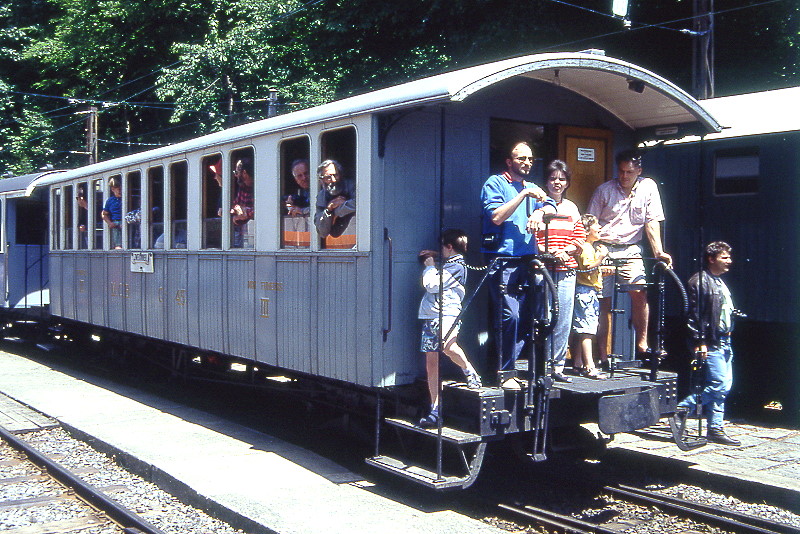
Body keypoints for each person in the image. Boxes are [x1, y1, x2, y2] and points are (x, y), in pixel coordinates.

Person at [480, 141, 555, 386]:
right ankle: (505, 374)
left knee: (529, 317)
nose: (527, 163)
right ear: (509, 162)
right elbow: (496, 216)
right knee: (509, 315)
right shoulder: (495, 183)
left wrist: (539, 212)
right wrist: (523, 196)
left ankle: (520, 367)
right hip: (502, 261)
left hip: (528, 260)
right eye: (521, 158)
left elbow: (551, 204)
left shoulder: (533, 186)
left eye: (530, 159)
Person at [587, 149, 672, 364]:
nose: (624, 176)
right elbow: (589, 224)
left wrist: (658, 252)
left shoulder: (648, 187)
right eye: (621, 171)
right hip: (604, 247)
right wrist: (594, 253)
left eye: (629, 172)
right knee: (602, 301)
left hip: (631, 249)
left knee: (639, 290)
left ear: (639, 171)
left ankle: (642, 345)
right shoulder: (603, 191)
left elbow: (651, 223)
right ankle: (603, 355)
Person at [677, 241, 741, 446]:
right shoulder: (700, 281)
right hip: (712, 341)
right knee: (719, 384)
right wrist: (700, 341)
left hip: (725, 340)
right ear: (711, 259)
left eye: (729, 257)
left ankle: (715, 428)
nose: (729, 261)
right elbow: (694, 315)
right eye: (724, 257)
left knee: (723, 387)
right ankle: (681, 410)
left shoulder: (719, 282)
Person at [418, 229, 482, 428]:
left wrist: (429, 265)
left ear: (449, 246)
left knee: (448, 346)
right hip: (432, 315)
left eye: (442, 247)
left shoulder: (457, 266)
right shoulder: (450, 265)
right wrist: (435, 259)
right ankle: (435, 409)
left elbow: (431, 284)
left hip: (447, 314)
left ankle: (469, 370)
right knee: (431, 363)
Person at [533, 160, 584, 383]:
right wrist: (551, 252)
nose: (557, 183)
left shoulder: (572, 208)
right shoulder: (537, 206)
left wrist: (565, 251)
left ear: (567, 183)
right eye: (553, 178)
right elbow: (532, 239)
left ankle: (558, 367)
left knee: (563, 319)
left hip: (566, 270)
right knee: (544, 317)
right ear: (546, 181)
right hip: (544, 270)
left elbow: (579, 239)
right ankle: (540, 366)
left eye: (562, 179)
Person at [571, 214, 609, 379]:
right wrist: (601, 258)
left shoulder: (588, 247)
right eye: (596, 225)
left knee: (583, 327)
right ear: (586, 230)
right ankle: (590, 366)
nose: (600, 228)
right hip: (586, 292)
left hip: (588, 289)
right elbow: (587, 267)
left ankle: (578, 362)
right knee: (588, 330)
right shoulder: (587, 247)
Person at [314, 159, 355, 239]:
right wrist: (329, 208)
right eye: (328, 177)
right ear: (322, 180)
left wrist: (336, 211)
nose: (333, 180)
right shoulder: (322, 196)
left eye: (335, 175)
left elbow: (362, 204)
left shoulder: (352, 186)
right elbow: (322, 232)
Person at [231, 158, 255, 247]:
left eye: (236, 173)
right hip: (245, 235)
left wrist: (246, 212)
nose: (236, 176)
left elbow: (263, 210)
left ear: (244, 173)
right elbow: (235, 206)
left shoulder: (260, 185)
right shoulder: (242, 188)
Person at [101, 177, 122, 249]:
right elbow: (104, 214)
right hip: (116, 224)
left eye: (120, 187)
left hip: (130, 223)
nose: (119, 190)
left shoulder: (129, 197)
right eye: (116, 188)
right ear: (112, 189)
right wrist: (110, 223)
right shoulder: (110, 201)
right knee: (118, 245)